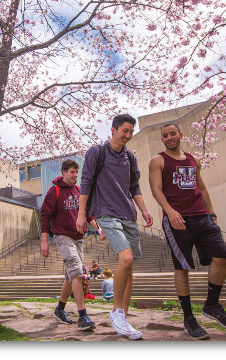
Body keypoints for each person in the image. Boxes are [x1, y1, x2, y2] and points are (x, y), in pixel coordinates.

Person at [148, 122, 226, 340]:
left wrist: (213, 214)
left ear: (180, 134)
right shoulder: (158, 161)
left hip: (202, 216)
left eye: (172, 134)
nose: (169, 138)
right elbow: (155, 189)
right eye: (165, 135)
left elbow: (202, 188)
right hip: (177, 219)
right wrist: (170, 212)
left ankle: (212, 305)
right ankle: (189, 317)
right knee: (183, 266)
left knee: (221, 257)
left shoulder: (193, 160)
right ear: (161, 139)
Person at [77, 113, 154, 340]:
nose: (128, 136)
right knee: (126, 258)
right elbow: (86, 182)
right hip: (107, 213)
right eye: (125, 131)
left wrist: (144, 210)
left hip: (128, 214)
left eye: (131, 132)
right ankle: (116, 312)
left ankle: (123, 321)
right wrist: (82, 215)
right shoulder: (97, 152)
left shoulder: (130, 157)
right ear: (113, 129)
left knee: (129, 269)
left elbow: (134, 187)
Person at [40, 159, 105, 331]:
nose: (75, 175)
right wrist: (44, 241)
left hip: (79, 238)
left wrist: (98, 229)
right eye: (72, 172)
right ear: (63, 172)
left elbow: (88, 214)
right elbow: (45, 215)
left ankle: (59, 310)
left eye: (77, 172)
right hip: (62, 237)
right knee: (77, 271)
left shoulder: (79, 191)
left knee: (71, 275)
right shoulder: (55, 191)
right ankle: (83, 315)